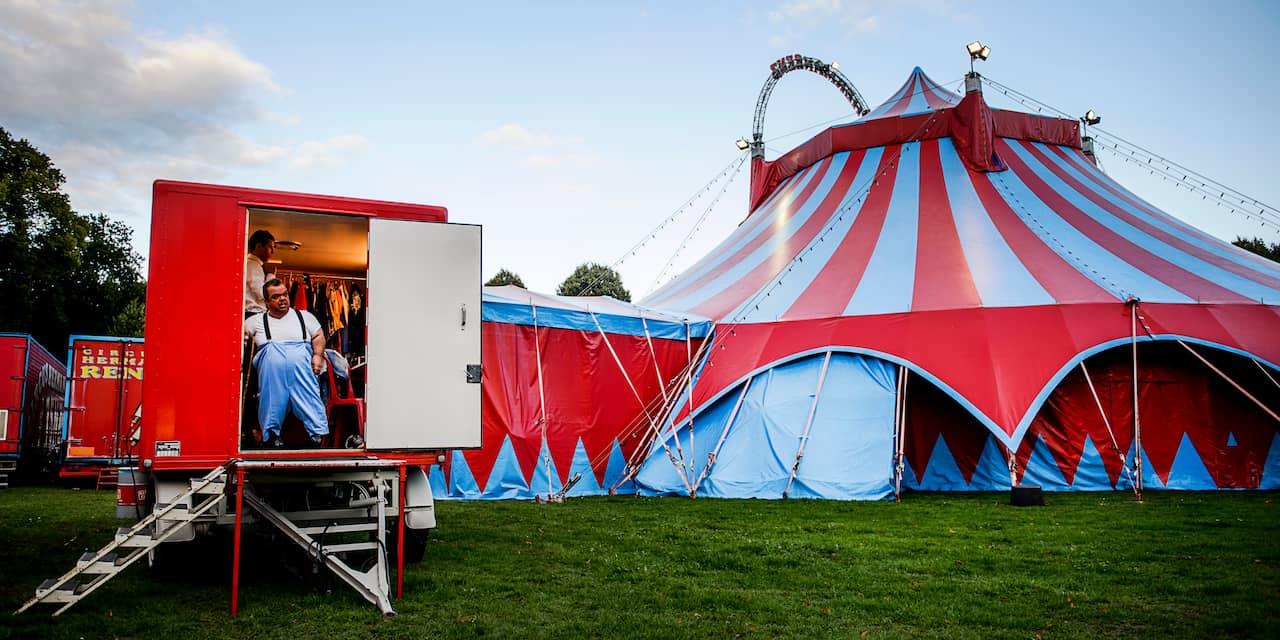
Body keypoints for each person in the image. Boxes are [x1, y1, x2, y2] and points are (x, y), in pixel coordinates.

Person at [244, 278, 330, 448]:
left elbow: (318, 335)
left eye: (284, 295)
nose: (282, 299)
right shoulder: (256, 321)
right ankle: (271, 437)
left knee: (310, 400)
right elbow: (240, 337)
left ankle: (317, 436)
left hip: (302, 372)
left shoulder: (304, 316)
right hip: (272, 377)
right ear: (267, 302)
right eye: (276, 297)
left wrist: (317, 356)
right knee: (271, 404)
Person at [244, 230, 276, 317]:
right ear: (259, 246)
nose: (272, 252)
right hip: (253, 313)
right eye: (270, 247)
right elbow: (262, 293)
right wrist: (270, 275)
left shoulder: (249, 264)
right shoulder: (253, 265)